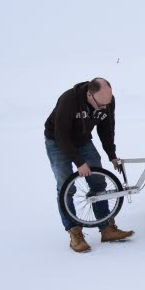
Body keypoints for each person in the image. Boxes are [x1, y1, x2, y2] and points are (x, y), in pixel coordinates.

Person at [44, 78, 134, 253]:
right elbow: (61, 135)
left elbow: (107, 128)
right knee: (66, 187)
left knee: (98, 181)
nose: (103, 108)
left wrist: (112, 155)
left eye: (106, 104)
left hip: (83, 140)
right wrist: (79, 162)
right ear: (89, 95)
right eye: (100, 105)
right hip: (57, 141)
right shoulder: (69, 101)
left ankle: (106, 228)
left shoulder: (106, 101)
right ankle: (74, 232)